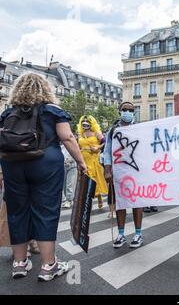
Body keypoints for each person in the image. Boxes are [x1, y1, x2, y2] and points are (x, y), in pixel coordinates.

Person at [0, 73, 87, 281]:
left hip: (12, 163)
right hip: (45, 163)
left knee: (16, 212)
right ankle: (49, 266)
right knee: (46, 211)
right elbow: (67, 137)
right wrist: (81, 162)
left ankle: (19, 263)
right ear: (45, 89)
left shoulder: (8, 113)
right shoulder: (52, 110)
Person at [103, 102, 144, 248]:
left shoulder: (140, 128)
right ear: (119, 111)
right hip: (118, 172)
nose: (127, 112)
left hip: (136, 172)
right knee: (120, 203)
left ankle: (138, 234)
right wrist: (107, 170)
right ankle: (121, 234)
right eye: (124, 109)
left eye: (131, 110)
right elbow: (107, 152)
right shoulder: (113, 130)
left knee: (136, 203)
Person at [77, 115, 108, 209]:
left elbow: (105, 142)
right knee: (85, 181)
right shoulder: (80, 134)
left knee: (94, 179)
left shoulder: (96, 133)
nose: (85, 122)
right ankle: (87, 202)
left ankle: (98, 197)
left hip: (94, 158)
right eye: (84, 121)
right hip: (83, 159)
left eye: (87, 121)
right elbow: (78, 147)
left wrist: (97, 147)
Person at [61, 143, 78, 209]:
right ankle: (64, 200)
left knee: (69, 184)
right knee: (63, 184)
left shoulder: (73, 144)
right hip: (62, 165)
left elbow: (76, 154)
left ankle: (69, 200)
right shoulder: (60, 146)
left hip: (72, 165)